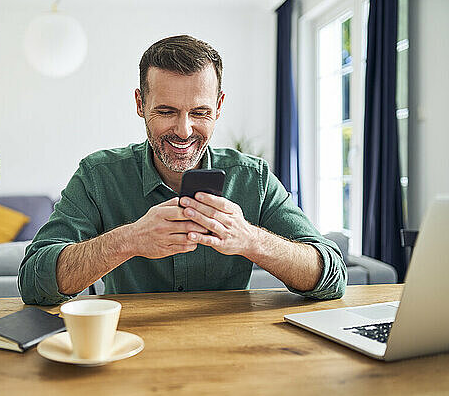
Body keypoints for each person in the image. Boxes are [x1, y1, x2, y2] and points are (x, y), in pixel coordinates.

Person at [18, 35, 346, 306]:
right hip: (129, 348)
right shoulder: (98, 175)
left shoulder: (253, 178)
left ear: (218, 106)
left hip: (233, 351)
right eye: (166, 111)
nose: (185, 130)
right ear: (139, 104)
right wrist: (130, 239)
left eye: (200, 112)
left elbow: (332, 278)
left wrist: (249, 239)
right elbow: (34, 280)